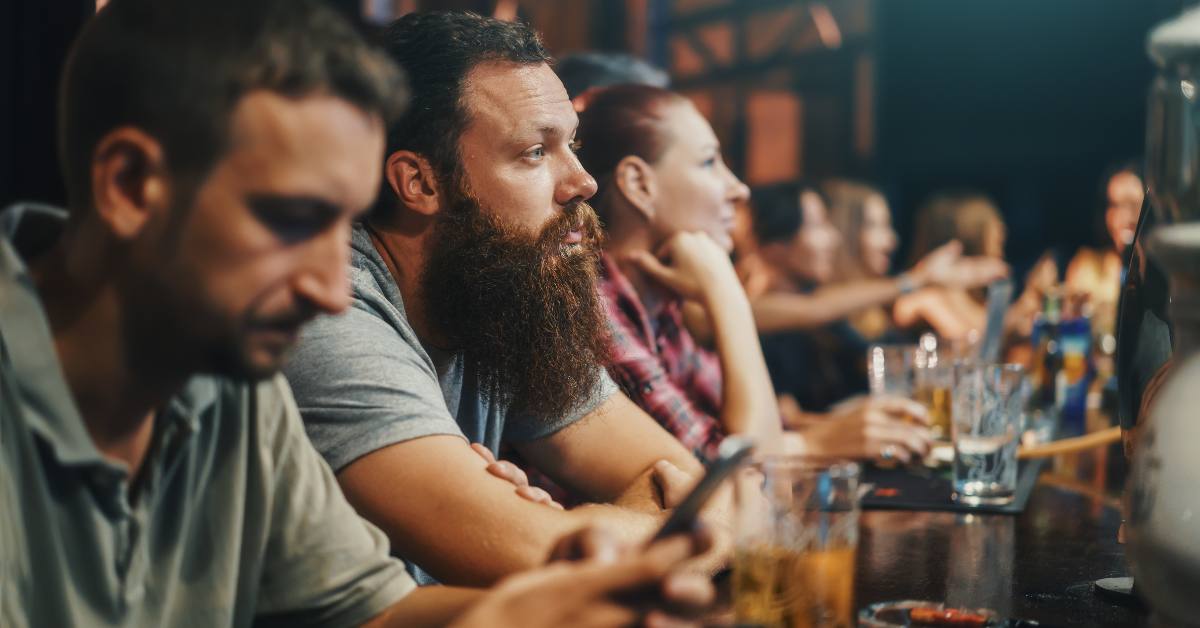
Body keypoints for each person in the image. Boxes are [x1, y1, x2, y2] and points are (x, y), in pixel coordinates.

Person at [0, 1, 713, 626]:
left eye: (342, 228)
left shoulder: (228, 379)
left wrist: (566, 595)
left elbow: (375, 611)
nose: (332, 292)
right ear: (130, 187)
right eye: (294, 221)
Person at [283, 11, 723, 588]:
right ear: (420, 182)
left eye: (573, 144)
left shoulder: (494, 292)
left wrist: (569, 526)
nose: (584, 182)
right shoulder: (330, 313)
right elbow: (524, 554)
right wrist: (568, 530)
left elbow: (702, 488)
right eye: (535, 152)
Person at [571, 84, 932, 465]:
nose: (739, 189)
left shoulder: (658, 307)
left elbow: (758, 431)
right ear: (640, 185)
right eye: (710, 163)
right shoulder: (594, 307)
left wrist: (825, 432)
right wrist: (725, 292)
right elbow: (732, 470)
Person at [896, 190, 1049, 343]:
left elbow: (983, 324)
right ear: (972, 239)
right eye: (997, 242)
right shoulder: (925, 296)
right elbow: (970, 338)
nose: (1000, 253)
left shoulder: (963, 295)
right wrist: (1028, 300)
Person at [1065, 162, 1144, 341]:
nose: (1124, 217)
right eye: (1115, 206)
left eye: (1132, 204)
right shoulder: (1087, 264)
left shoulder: (1158, 270)